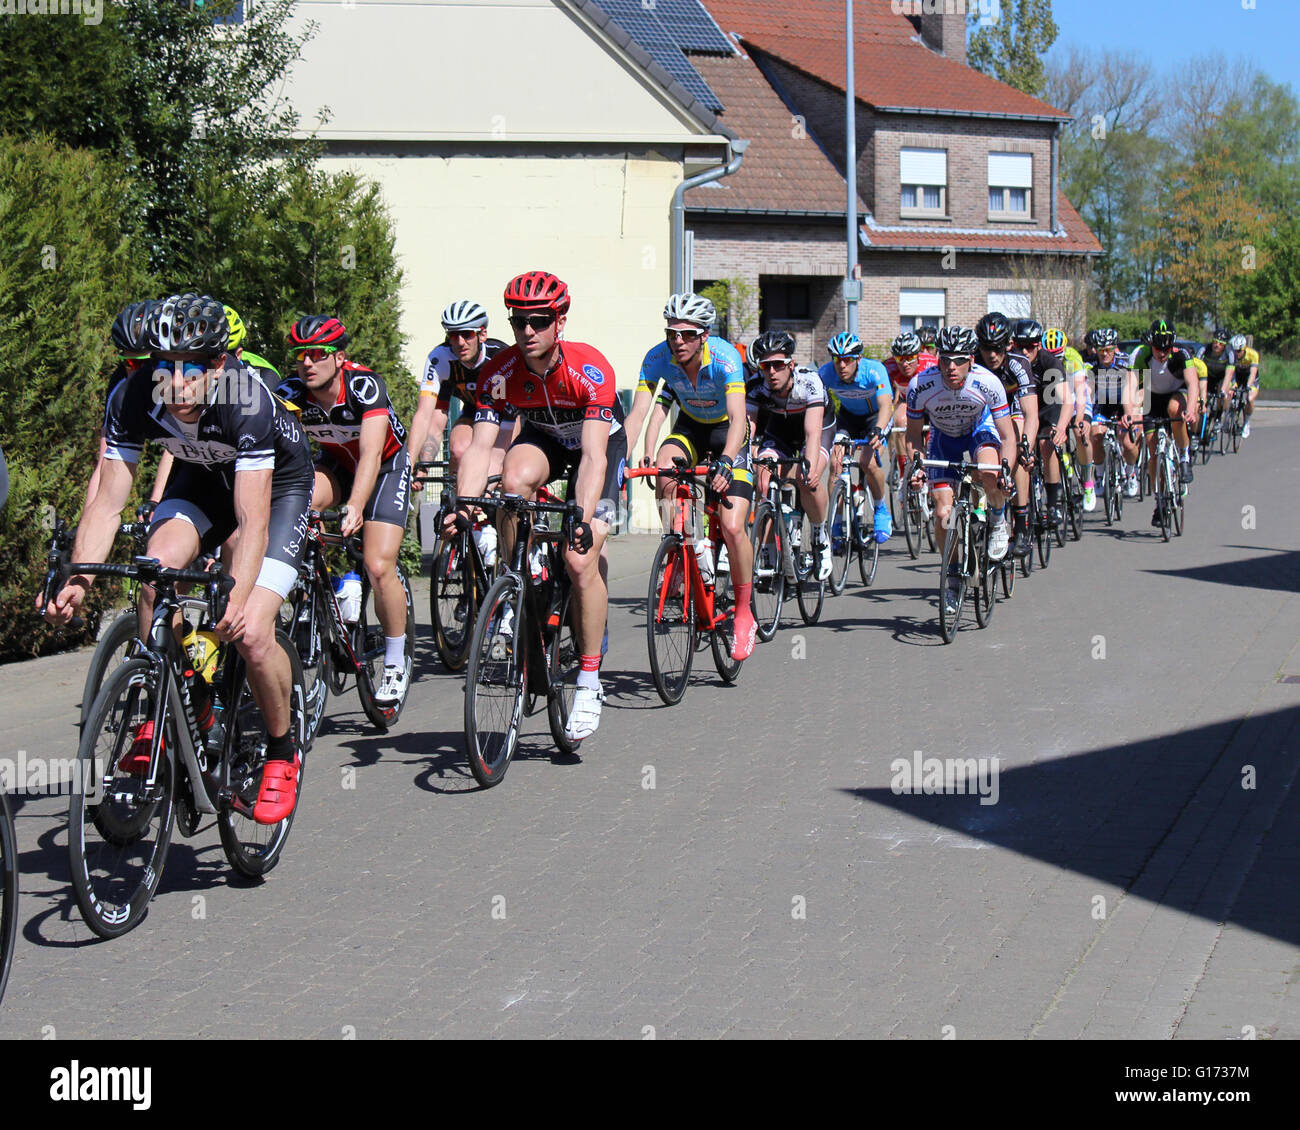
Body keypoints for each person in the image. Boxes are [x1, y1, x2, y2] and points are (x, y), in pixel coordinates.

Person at [43, 293, 313, 824]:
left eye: (193, 368)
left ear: (220, 364)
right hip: (203, 481)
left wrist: (238, 591)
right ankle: (176, 699)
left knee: (252, 632)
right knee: (153, 576)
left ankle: (282, 751)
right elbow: (107, 501)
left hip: (275, 491)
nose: (177, 381)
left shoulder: (246, 400)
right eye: (165, 367)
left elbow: (252, 519)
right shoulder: (132, 395)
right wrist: (79, 576)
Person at [449, 271, 624, 742]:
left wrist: (583, 521)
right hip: (544, 438)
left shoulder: (590, 369)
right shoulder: (499, 373)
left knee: (579, 557)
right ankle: (515, 577)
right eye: (519, 320)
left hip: (596, 446)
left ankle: (588, 679)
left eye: (539, 320)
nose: (528, 330)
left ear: (559, 321)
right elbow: (481, 447)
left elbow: (591, 457)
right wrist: (464, 507)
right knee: (509, 483)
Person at [275, 315, 413, 707]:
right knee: (297, 502)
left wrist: (355, 505)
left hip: (385, 466)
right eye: (301, 354)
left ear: (340, 358)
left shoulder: (364, 387)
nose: (307, 362)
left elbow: (371, 454)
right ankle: (325, 584)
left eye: (318, 354)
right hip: (336, 464)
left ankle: (394, 659)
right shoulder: (291, 393)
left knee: (378, 563)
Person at [624, 292, 757, 660]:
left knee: (731, 526)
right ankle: (682, 545)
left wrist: (728, 461)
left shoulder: (727, 358)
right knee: (666, 467)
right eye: (672, 333)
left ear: (704, 335)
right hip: (691, 429)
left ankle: (744, 612)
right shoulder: (656, 358)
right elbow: (638, 414)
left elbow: (737, 419)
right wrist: (620, 459)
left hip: (728, 433)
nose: (677, 341)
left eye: (686, 334)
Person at [905, 326, 1016, 603]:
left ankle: (998, 517)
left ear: (971, 360)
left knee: (989, 472)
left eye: (959, 360)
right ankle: (953, 575)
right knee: (943, 515)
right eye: (945, 359)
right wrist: (916, 467)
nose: (950, 367)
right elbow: (914, 435)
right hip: (944, 438)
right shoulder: (921, 385)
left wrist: (1007, 473)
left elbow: (1007, 436)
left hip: (979, 431)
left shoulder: (988, 383)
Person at [746, 330, 834, 581]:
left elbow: (813, 433)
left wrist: (809, 465)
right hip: (781, 429)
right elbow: (748, 427)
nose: (771, 371)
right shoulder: (755, 386)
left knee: (809, 479)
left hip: (817, 427)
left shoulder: (810, 382)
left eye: (778, 365)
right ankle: (768, 549)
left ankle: (819, 534)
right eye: (766, 366)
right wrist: (747, 451)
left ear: (791, 365)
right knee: (764, 480)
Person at [407, 300, 513, 479]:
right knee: (458, 449)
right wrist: (415, 466)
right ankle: (462, 501)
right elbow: (428, 417)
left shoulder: (500, 357)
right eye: (453, 335)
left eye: (467, 334)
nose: (460, 342)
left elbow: (511, 416)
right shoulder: (440, 359)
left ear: (482, 334)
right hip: (474, 410)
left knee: (507, 468)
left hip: (511, 414)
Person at [818, 332, 893, 543]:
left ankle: (880, 509)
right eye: (837, 359)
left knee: (867, 462)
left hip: (875, 418)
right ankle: (836, 520)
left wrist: (878, 429)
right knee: (836, 462)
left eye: (848, 360)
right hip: (848, 419)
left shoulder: (874, 371)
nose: (842, 365)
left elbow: (886, 405)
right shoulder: (826, 373)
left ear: (858, 359)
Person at [975, 312, 1037, 559]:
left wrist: (1027, 448)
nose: (991, 355)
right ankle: (979, 503)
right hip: (984, 412)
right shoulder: (974, 363)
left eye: (997, 348)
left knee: (1019, 445)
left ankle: (1021, 524)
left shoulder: (1018, 363)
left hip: (1013, 411)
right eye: (986, 348)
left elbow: (1031, 412)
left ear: (1008, 345)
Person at [1130, 318, 1199, 521]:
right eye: (1158, 348)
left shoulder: (1182, 353)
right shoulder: (1140, 354)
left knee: (1175, 409)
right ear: (1151, 344)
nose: (1162, 353)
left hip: (1176, 393)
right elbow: (1131, 387)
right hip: (1153, 396)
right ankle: (1159, 499)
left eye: (1167, 348)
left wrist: (1192, 410)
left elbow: (1193, 383)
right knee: (1152, 450)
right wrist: (1130, 412)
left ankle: (1184, 456)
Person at [1229, 333, 1260, 438]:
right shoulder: (1230, 354)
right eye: (1234, 351)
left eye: (1238, 351)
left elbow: (1253, 373)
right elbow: (1229, 372)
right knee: (1229, 392)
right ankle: (1229, 415)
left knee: (1250, 398)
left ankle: (1246, 422)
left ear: (1244, 349)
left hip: (1250, 377)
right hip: (1237, 376)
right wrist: (1232, 385)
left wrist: (1248, 386)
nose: (1236, 354)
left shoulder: (1253, 355)